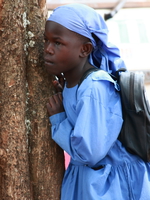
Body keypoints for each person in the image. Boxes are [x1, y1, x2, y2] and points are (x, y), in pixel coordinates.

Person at [44, 3, 150, 200]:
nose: (48, 49)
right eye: (46, 40)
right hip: (91, 183)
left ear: (84, 49)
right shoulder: (72, 84)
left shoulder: (95, 86)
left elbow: (89, 153)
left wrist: (59, 120)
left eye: (58, 43)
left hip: (111, 187)